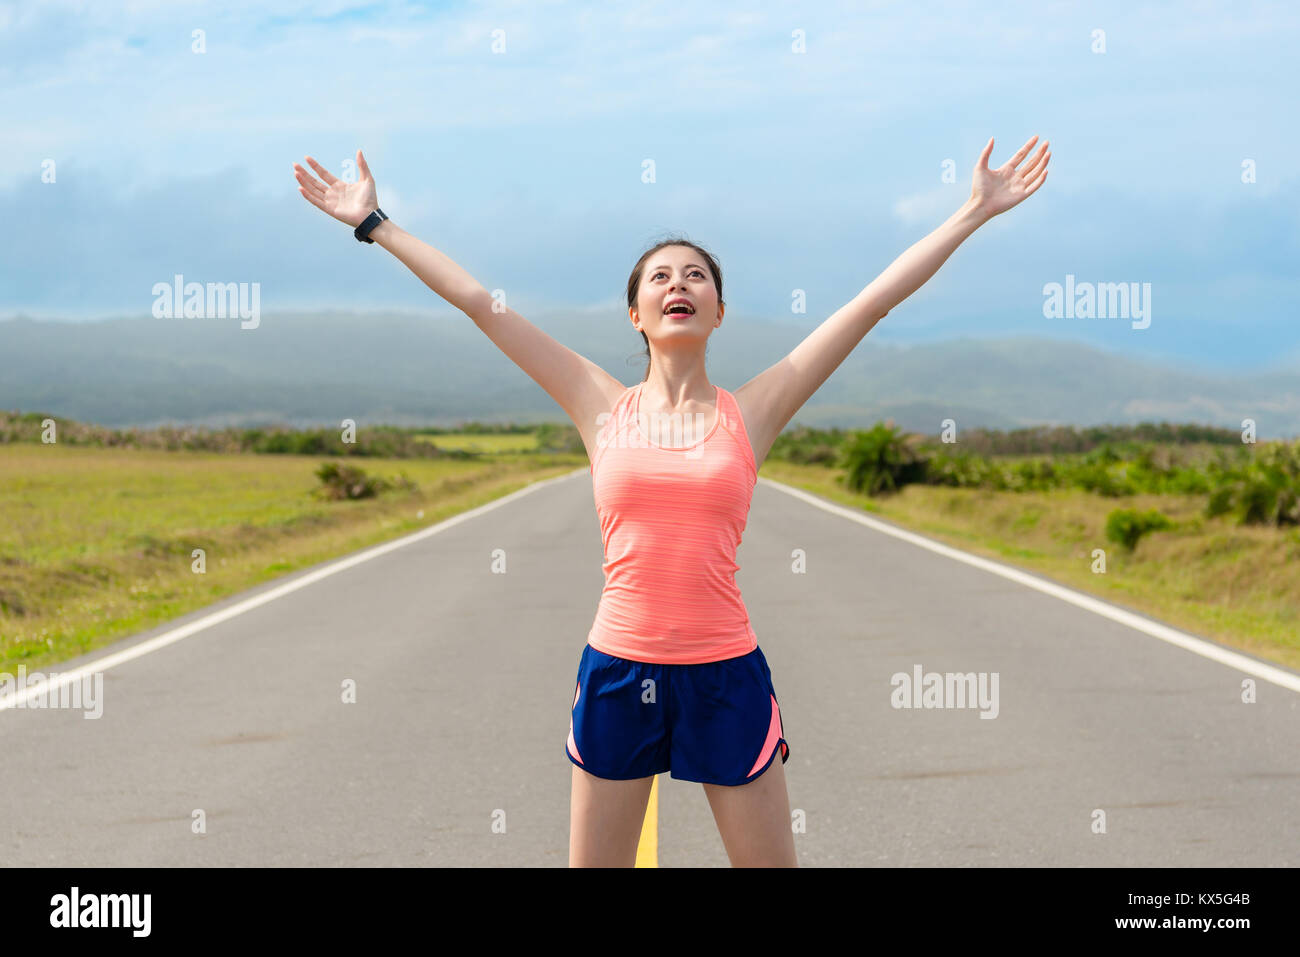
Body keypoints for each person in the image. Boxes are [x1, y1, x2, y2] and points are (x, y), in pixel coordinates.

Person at [292, 135, 1050, 867]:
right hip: (620, 670)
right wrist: (373, 223)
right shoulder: (598, 404)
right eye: (659, 277)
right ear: (636, 315)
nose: (678, 284)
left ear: (719, 310)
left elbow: (870, 303)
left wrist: (971, 213)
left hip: (726, 676)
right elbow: (480, 306)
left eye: (695, 275)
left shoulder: (754, 409)